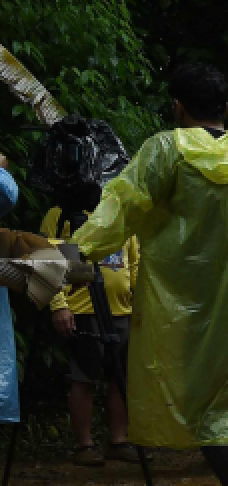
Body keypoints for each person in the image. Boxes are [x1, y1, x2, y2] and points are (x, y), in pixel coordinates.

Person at [70, 62, 228, 486]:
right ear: (226, 109)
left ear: (177, 107)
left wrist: (76, 253)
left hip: (212, 303)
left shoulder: (166, 151)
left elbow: (122, 204)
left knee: (207, 398)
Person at [42, 184, 140, 467]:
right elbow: (47, 260)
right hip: (83, 308)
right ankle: (84, 445)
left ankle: (118, 441)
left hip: (123, 309)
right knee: (84, 377)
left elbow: (134, 261)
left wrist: (139, 301)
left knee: (119, 379)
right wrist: (59, 304)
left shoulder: (120, 210)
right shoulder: (62, 214)